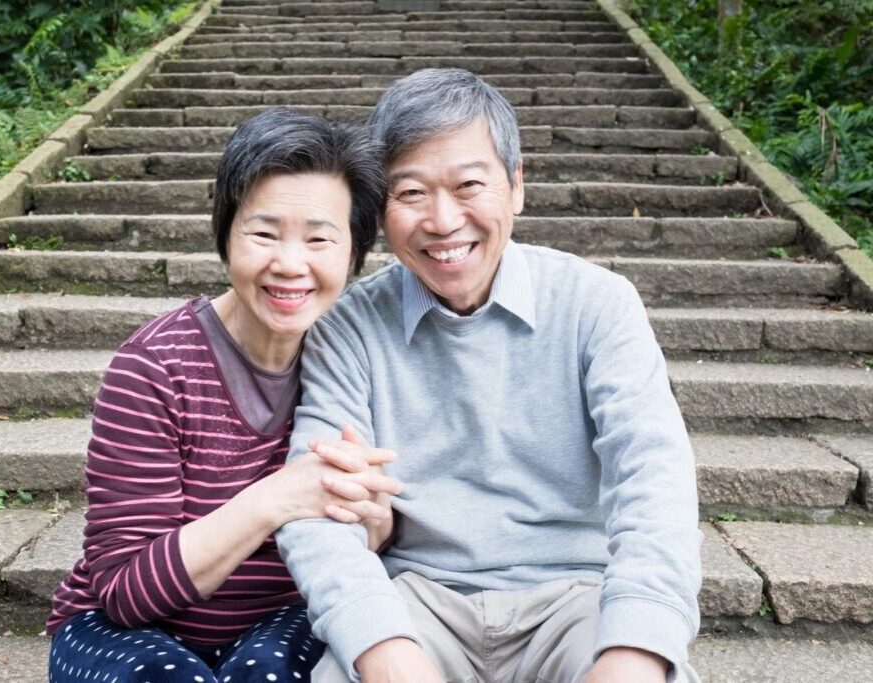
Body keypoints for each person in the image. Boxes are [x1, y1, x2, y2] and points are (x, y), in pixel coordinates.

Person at [275, 68, 703, 683]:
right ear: (381, 208)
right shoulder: (348, 326)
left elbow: (653, 476)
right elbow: (318, 507)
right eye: (412, 193)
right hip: (418, 598)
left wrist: (635, 649)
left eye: (469, 184)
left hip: (577, 594)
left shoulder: (597, 303)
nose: (444, 220)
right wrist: (384, 650)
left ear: (516, 186)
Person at [46, 108, 399, 683]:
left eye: (319, 239)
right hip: (127, 633)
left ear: (353, 252)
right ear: (226, 234)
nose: (289, 265)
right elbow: (124, 592)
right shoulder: (155, 366)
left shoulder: (358, 363)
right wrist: (273, 500)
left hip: (284, 619)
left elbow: (370, 547)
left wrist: (376, 525)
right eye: (263, 234)